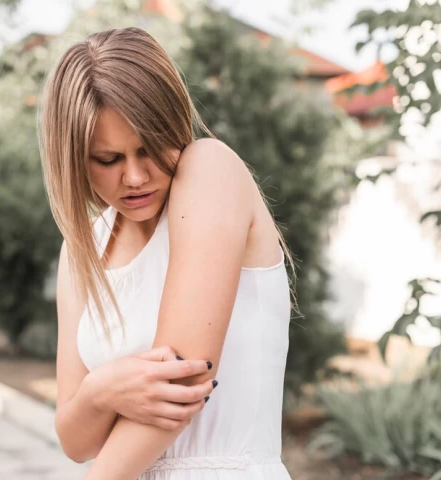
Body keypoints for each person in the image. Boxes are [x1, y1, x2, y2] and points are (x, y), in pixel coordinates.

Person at [38, 26, 294, 480]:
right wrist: (100, 390)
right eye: (108, 159)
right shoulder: (84, 247)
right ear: (75, 158)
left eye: (151, 148)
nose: (135, 177)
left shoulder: (211, 168)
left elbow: (183, 382)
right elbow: (76, 441)